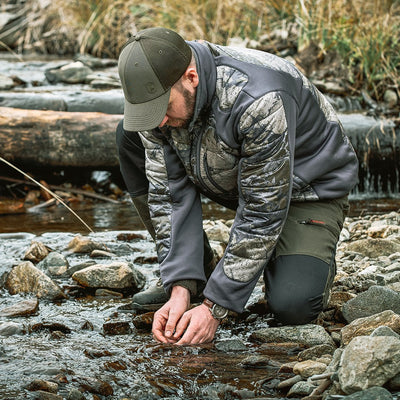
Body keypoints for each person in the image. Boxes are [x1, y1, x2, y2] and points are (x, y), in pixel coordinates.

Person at [115, 27, 359, 345]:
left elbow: (262, 208)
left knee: (293, 307)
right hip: (234, 179)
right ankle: (196, 270)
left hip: (308, 190)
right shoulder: (156, 100)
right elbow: (169, 194)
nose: (158, 120)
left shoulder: (260, 98)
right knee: (128, 134)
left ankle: (306, 255)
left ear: (192, 77)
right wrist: (180, 287)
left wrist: (215, 308)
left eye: (163, 107)